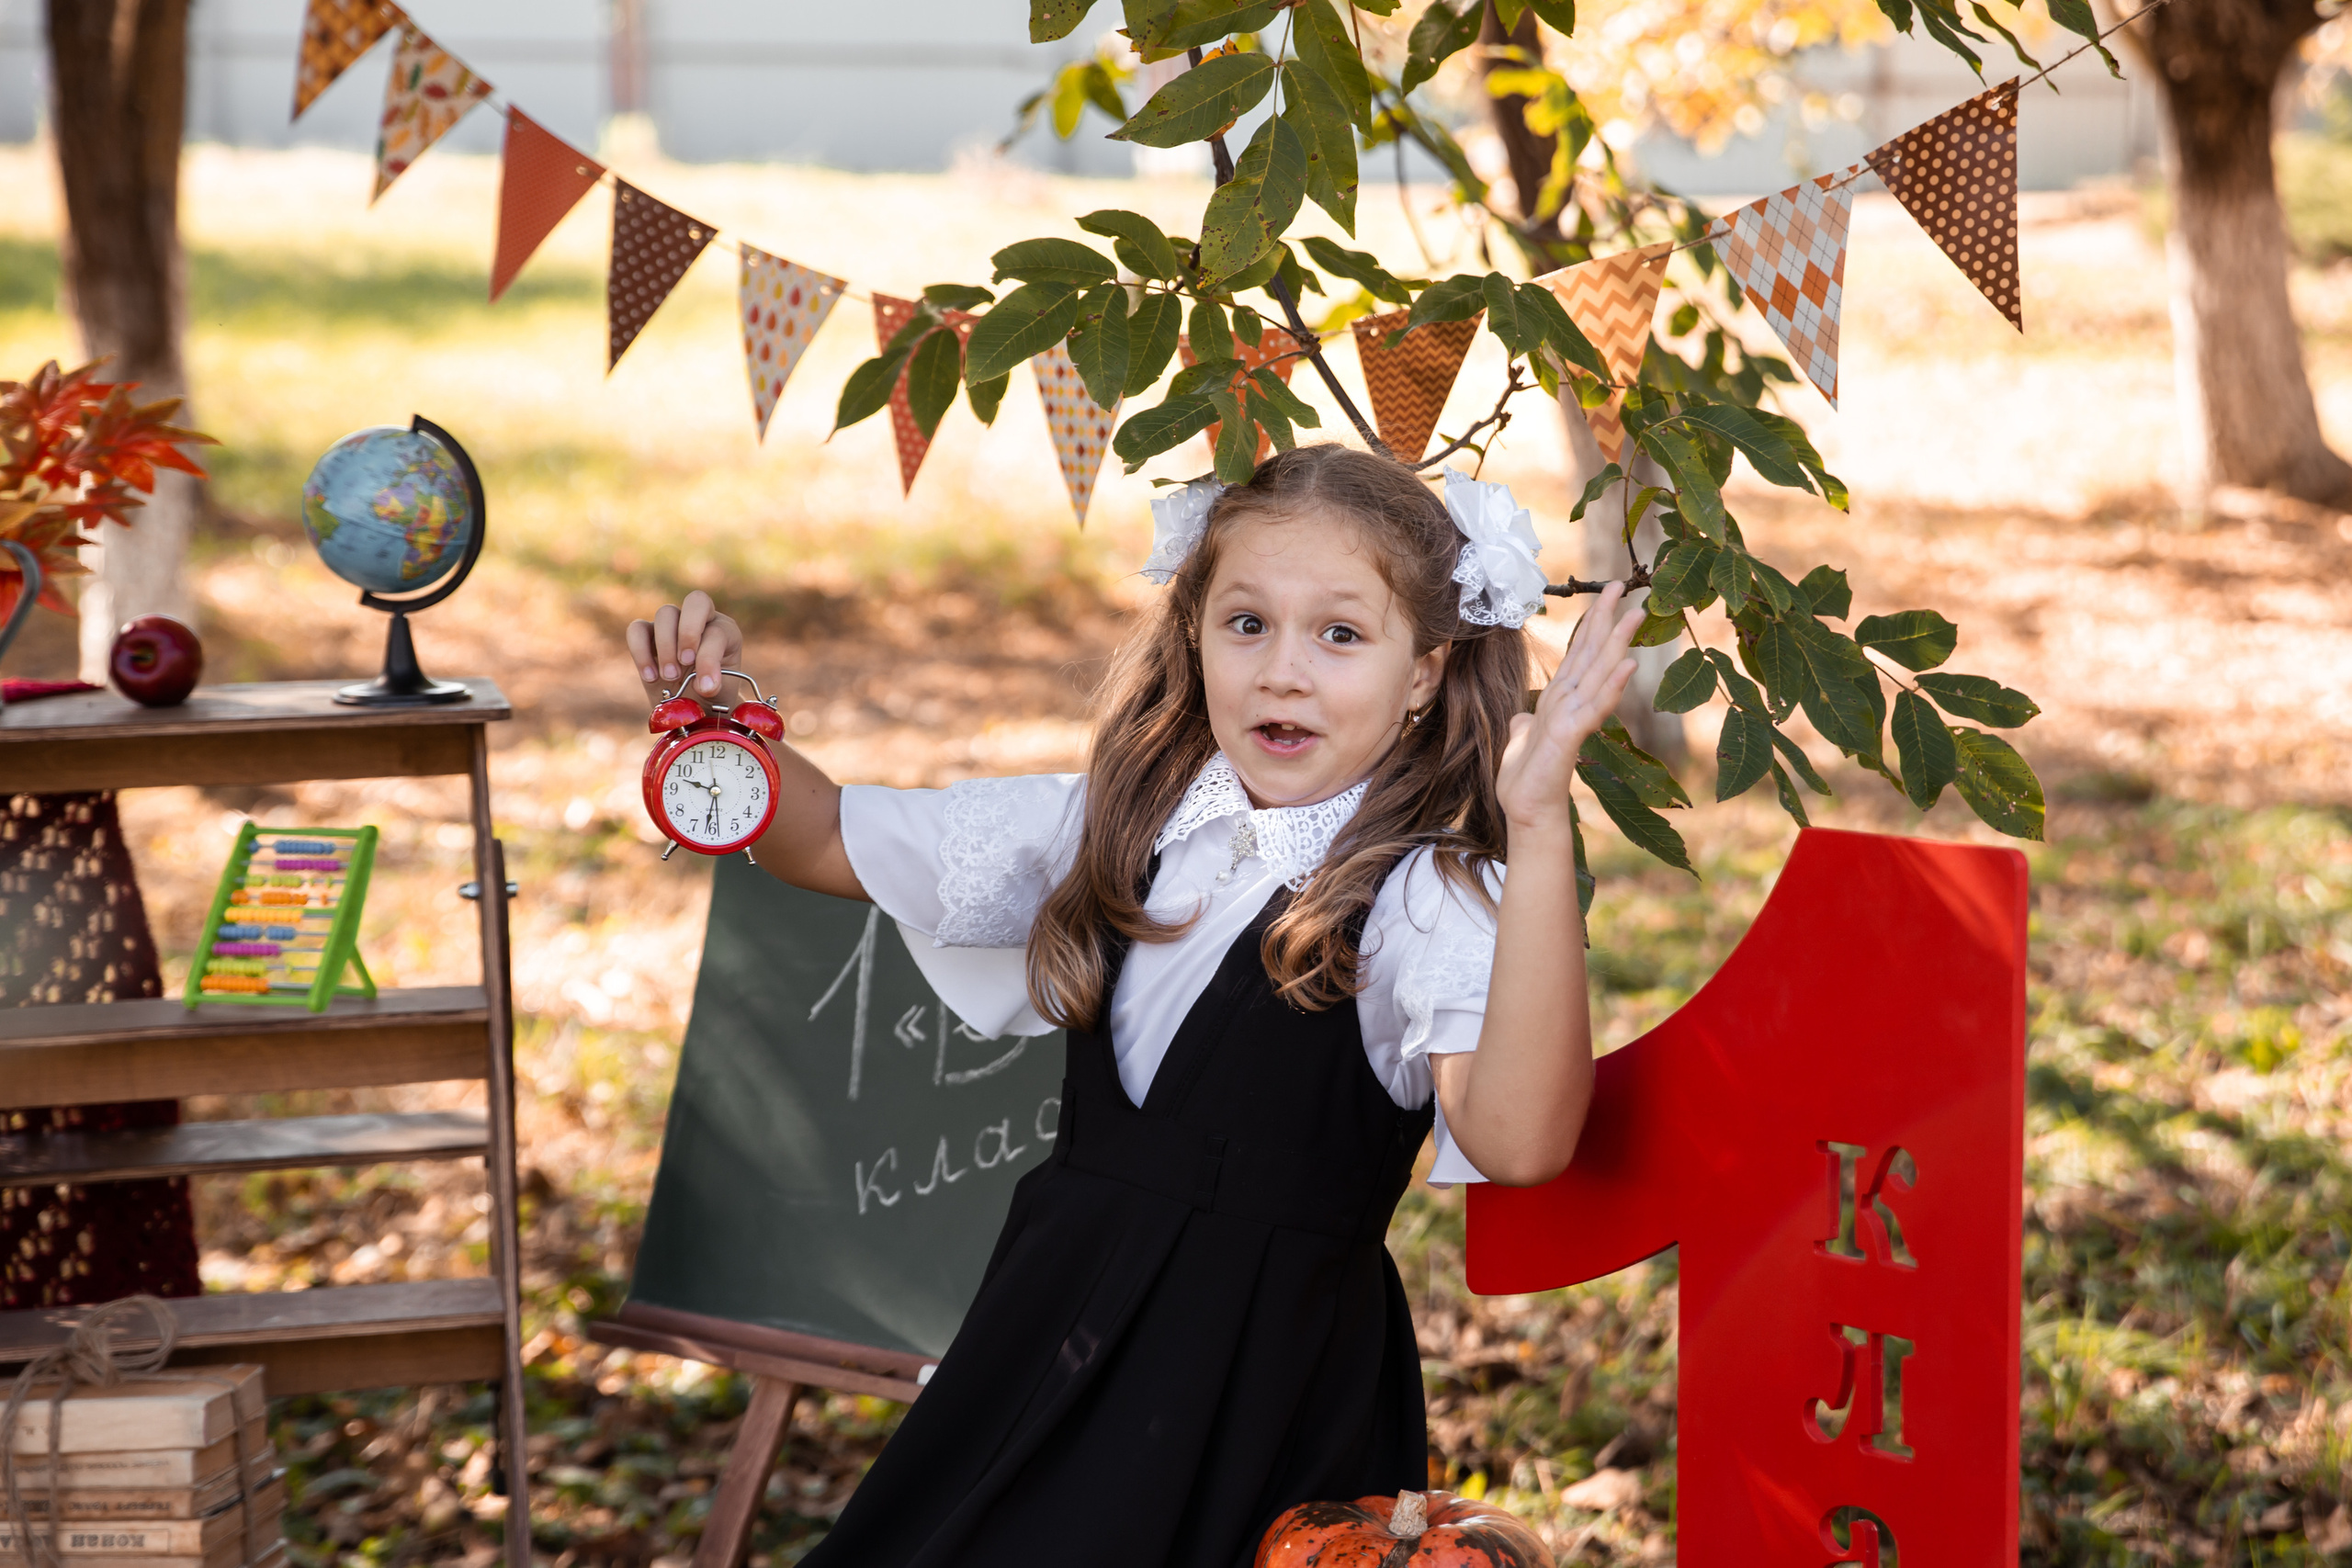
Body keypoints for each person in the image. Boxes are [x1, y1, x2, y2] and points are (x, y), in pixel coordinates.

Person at [624, 444, 1645, 1568]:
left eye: (1340, 635)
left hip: (1261, 1382)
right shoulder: (1116, 822)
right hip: (1053, 1326)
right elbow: (820, 836)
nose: (1282, 672)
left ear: (1423, 673)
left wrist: (1538, 824)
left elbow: (1521, 1141)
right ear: (1195, 633)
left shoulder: (1423, 897)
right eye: (1246, 624)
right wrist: (712, 730)